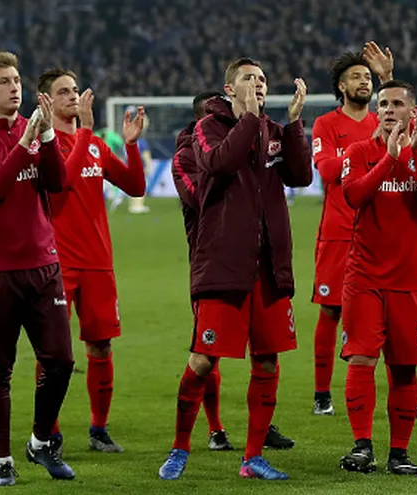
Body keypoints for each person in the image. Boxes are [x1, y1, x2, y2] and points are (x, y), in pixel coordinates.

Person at [158, 58, 311, 481]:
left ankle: (252, 457)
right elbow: (220, 163)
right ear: (229, 88)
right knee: (204, 360)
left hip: (268, 269)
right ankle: (180, 447)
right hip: (223, 266)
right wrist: (247, 119)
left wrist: (295, 124)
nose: (258, 84)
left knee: (267, 362)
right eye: (249, 79)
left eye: (263, 79)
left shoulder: (275, 133)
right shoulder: (207, 129)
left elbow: (300, 175)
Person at [0, 51, 75, 486]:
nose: (15, 87)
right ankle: (2, 460)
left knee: (61, 360)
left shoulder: (37, 131)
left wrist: (44, 139)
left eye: (17, 80)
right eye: (5, 82)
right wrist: (26, 142)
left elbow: (58, 184)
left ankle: (40, 441)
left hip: (44, 264)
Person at [337, 80, 417, 477]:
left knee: (404, 368)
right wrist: (389, 157)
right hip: (364, 277)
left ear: (412, 112)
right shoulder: (359, 152)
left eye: (397, 104)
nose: (387, 109)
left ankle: (399, 453)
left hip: (409, 280)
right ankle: (362, 446)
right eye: (383, 103)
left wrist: (415, 153)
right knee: (363, 358)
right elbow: (354, 195)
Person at [38, 67, 148, 455]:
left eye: (75, 90)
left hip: (99, 263)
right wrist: (85, 131)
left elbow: (135, 186)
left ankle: (98, 430)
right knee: (52, 351)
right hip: (56, 263)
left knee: (101, 346)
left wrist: (131, 146)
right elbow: (62, 184)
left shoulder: (98, 147)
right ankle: (47, 431)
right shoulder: (43, 146)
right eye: (64, 92)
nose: (74, 96)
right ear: (47, 101)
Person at [310, 45, 390, 416]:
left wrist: (389, 78)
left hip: (382, 235)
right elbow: (326, 171)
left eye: (368, 77)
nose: (365, 81)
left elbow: (411, 130)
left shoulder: (383, 119)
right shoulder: (327, 124)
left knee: (391, 310)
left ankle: (398, 387)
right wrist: (366, 151)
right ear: (341, 86)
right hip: (339, 232)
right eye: (357, 76)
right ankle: (322, 393)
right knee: (331, 311)